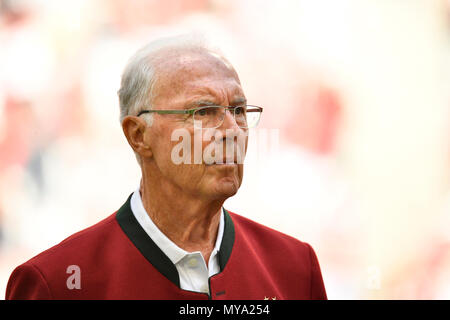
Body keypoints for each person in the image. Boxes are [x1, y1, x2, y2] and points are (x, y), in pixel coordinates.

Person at [5, 35, 327, 300]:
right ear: (139, 135)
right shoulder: (58, 284)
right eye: (203, 111)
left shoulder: (294, 269)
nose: (232, 131)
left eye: (239, 110)